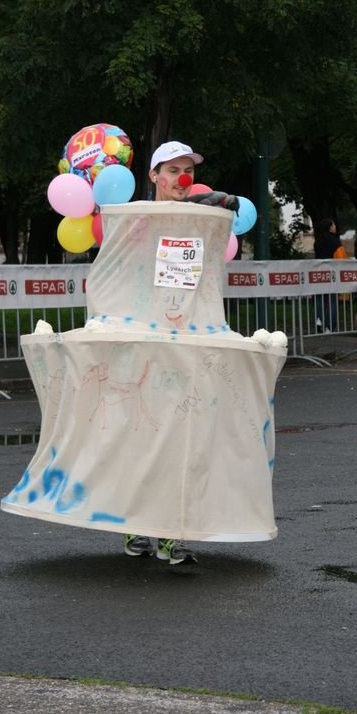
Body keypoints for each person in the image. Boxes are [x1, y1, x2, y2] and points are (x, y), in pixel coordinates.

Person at [123, 140, 236, 566]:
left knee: (185, 441)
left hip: (188, 340)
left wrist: (213, 203)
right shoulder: (134, 219)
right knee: (146, 441)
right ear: (153, 176)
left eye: (187, 170)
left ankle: (173, 536)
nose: (181, 178)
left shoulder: (201, 219)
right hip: (144, 345)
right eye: (172, 170)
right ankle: (137, 522)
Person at [313, 217, 343, 332]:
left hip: (319, 274)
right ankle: (330, 326)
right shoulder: (336, 242)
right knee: (332, 300)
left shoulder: (318, 242)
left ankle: (319, 320)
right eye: (334, 225)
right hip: (332, 275)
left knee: (319, 299)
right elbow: (341, 259)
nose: (335, 227)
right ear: (330, 228)